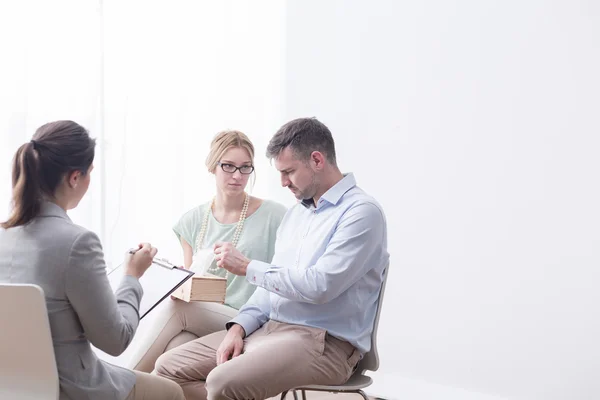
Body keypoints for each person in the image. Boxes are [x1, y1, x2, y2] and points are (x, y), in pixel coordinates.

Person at [154, 117, 389, 400]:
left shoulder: (361, 213)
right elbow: (270, 288)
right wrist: (238, 327)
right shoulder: (296, 215)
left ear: (317, 160)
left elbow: (320, 286)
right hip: (269, 330)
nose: (283, 182)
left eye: (288, 171)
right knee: (168, 368)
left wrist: (248, 267)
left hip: (323, 343)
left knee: (221, 382)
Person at [0, 121, 184, 400]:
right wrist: (132, 277)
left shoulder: (4, 236)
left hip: (12, 386)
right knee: (170, 392)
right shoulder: (77, 242)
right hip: (73, 389)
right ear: (75, 177)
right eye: (90, 173)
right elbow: (115, 340)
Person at [124, 129, 287, 373]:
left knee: (180, 310)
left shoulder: (275, 215)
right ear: (213, 167)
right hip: (206, 316)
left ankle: (117, 386)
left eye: (245, 167)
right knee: (174, 349)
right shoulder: (192, 221)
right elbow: (192, 283)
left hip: (250, 317)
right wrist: (177, 283)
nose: (237, 175)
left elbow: (284, 275)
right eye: (228, 166)